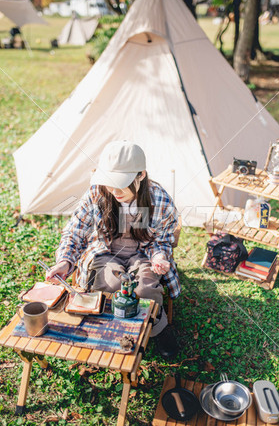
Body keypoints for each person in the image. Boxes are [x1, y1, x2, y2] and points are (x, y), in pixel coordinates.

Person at [46, 140, 180, 359]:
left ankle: (158, 326)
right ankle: (114, 329)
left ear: (141, 175)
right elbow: (75, 231)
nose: (114, 191)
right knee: (109, 285)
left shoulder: (158, 198)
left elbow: (162, 239)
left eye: (122, 183)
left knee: (145, 289)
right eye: (109, 183)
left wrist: (158, 256)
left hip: (142, 252)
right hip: (106, 251)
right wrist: (65, 262)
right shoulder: (97, 194)